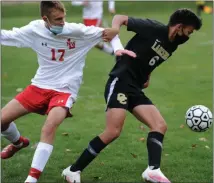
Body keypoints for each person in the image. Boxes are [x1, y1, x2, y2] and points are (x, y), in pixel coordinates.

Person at [0, 1, 136, 183]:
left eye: (63, 17)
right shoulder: (34, 30)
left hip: (64, 90)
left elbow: (111, 33)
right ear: (45, 19)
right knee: (2, 120)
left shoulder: (76, 30)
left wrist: (118, 50)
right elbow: (6, 36)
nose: (62, 22)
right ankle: (19, 143)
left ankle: (31, 179)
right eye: (57, 19)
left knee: (49, 126)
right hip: (39, 85)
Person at [62, 8, 202, 183]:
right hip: (120, 81)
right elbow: (120, 18)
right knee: (113, 131)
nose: (187, 37)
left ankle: (153, 171)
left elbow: (152, 59)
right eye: (188, 32)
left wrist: (147, 75)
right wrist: (115, 30)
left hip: (135, 88)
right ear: (179, 27)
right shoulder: (154, 28)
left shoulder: (173, 44)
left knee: (159, 125)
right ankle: (73, 171)